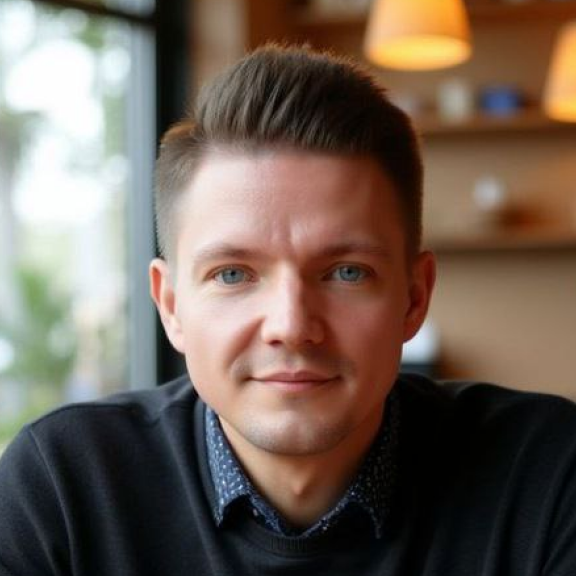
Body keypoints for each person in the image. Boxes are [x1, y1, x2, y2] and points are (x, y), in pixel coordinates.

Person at [1, 44, 575, 576]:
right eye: (233, 274)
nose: (292, 327)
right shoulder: (64, 488)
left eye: (346, 272)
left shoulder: (547, 474)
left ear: (414, 296)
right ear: (171, 305)